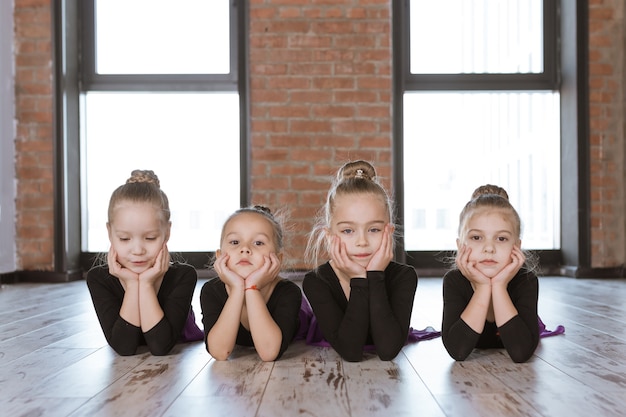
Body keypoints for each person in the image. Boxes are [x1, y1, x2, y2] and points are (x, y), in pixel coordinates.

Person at [302, 160, 419, 362]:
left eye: (373, 229)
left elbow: (388, 350)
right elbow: (351, 351)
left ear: (388, 232)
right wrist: (358, 279)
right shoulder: (316, 281)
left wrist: (374, 276)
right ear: (329, 236)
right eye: (348, 230)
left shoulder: (404, 276)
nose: (362, 242)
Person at [86, 170, 202, 356]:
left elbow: (160, 346)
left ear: (167, 231)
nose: (138, 250)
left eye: (149, 238)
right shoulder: (99, 278)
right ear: (110, 232)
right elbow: (124, 347)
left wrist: (146, 284)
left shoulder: (183, 276)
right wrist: (133, 284)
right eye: (124, 239)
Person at [442, 184, 540, 363]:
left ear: (516, 247)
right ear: (460, 246)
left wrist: (500, 286)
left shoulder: (526, 280)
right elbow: (458, 351)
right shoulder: (454, 281)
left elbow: (520, 352)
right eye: (476, 238)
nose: (489, 248)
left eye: (501, 238)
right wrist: (483, 287)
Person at [200, 205, 302, 361]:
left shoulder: (288, 292)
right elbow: (220, 352)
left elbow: (269, 353)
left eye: (258, 243)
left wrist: (252, 288)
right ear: (220, 255)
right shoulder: (211, 291)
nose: (245, 249)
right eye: (235, 242)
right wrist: (237, 289)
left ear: (277, 259)